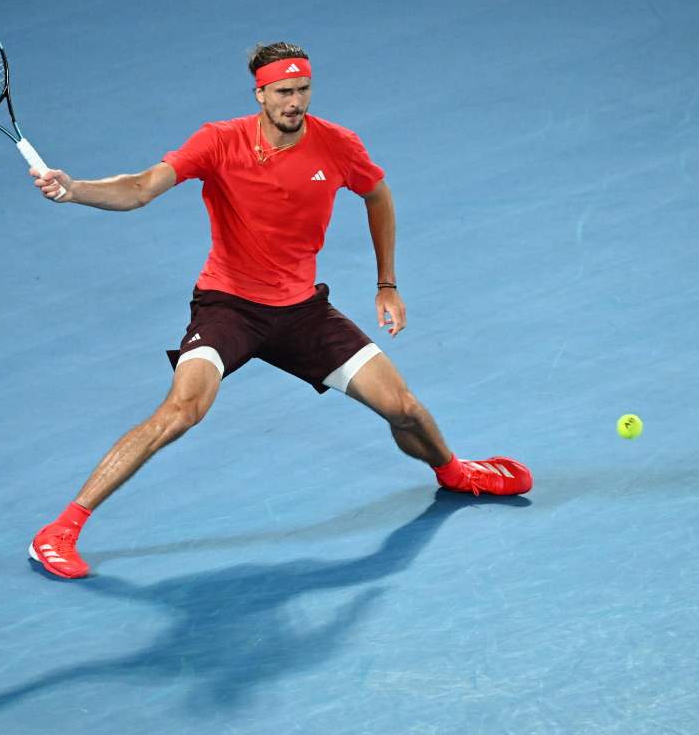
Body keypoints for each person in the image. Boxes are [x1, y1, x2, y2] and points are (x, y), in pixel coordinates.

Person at [27, 43, 531, 579]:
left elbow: (377, 196)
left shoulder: (338, 145)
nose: (295, 102)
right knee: (182, 410)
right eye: (284, 92)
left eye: (303, 90)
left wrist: (387, 283)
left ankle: (453, 473)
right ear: (261, 94)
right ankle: (59, 531)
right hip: (230, 307)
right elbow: (141, 188)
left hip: (302, 313)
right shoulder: (218, 141)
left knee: (403, 407)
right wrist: (75, 189)